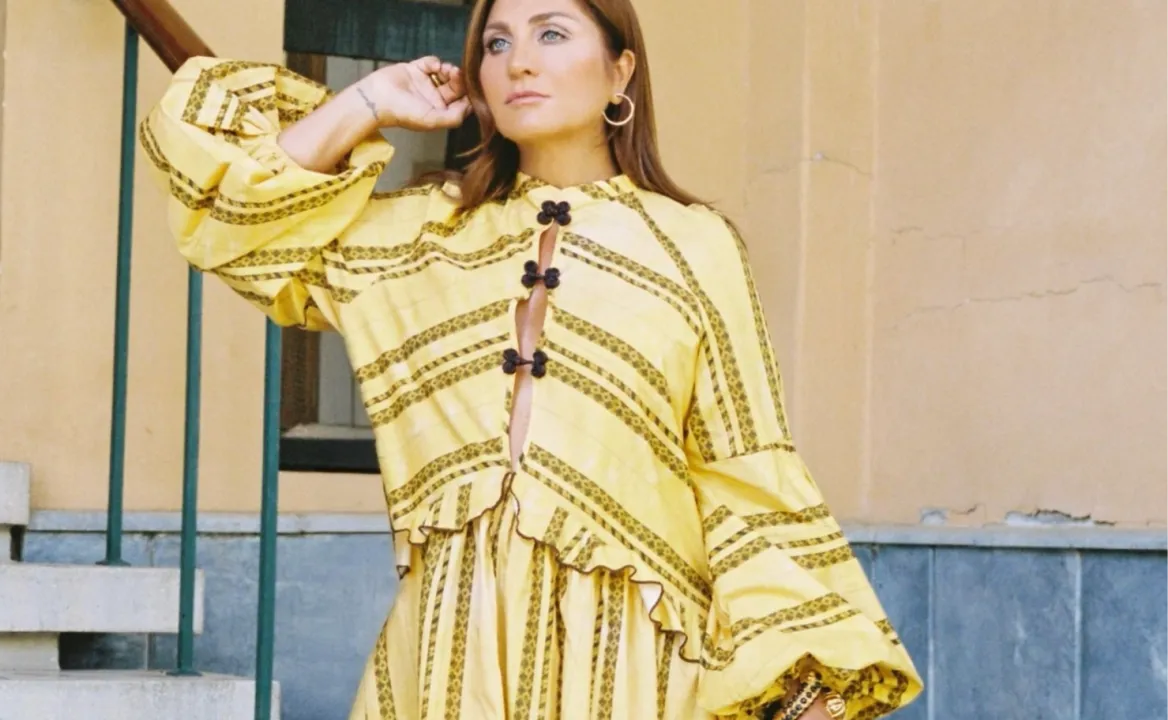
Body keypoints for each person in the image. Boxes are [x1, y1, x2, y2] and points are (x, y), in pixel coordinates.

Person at [141, 0, 922, 717]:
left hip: (637, 660)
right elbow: (237, 218)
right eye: (495, 44)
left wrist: (798, 678)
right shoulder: (416, 236)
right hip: (448, 650)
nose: (518, 61)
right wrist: (369, 101)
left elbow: (741, 465)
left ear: (620, 70)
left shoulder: (693, 246)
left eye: (551, 33)